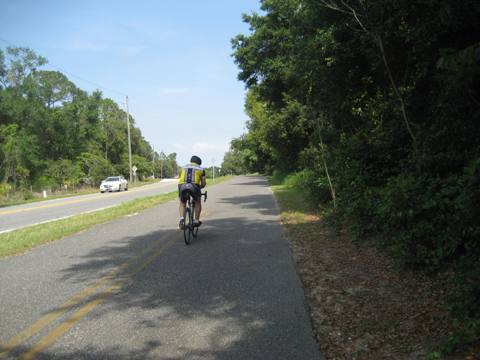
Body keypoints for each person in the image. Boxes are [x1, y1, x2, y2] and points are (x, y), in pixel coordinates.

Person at [178, 155, 206, 229]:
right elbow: (203, 183)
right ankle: (196, 220)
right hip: (194, 185)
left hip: (182, 185)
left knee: (182, 202)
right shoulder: (201, 169)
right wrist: (199, 188)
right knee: (197, 202)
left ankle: (181, 220)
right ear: (199, 163)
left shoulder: (183, 167)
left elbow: (180, 177)